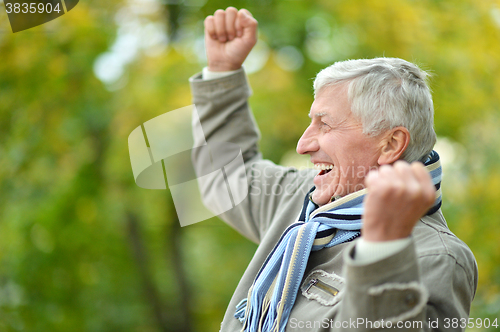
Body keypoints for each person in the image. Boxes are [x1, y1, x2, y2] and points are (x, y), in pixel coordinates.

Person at [189, 7, 477, 332]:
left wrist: (385, 251)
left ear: (391, 143)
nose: (303, 144)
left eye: (324, 124)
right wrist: (223, 72)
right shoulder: (302, 200)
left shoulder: (434, 257)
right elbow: (226, 178)